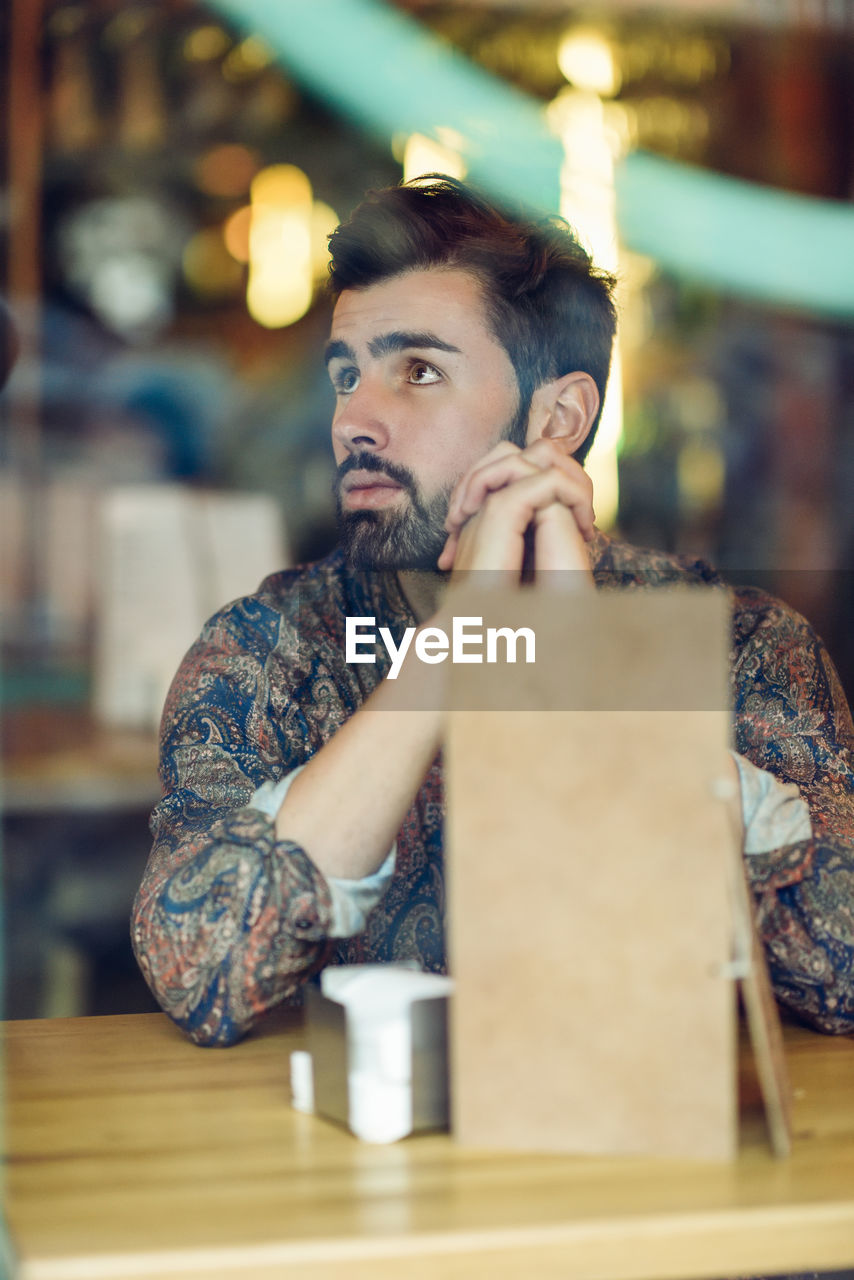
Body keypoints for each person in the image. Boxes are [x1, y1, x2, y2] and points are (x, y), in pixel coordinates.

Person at [131, 177, 854, 1047]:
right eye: (345, 374)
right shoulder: (270, 650)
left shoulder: (740, 646)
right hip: (353, 1166)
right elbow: (202, 971)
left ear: (557, 418)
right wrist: (456, 641)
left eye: (419, 371)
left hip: (647, 1167)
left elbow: (842, 969)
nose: (354, 418)